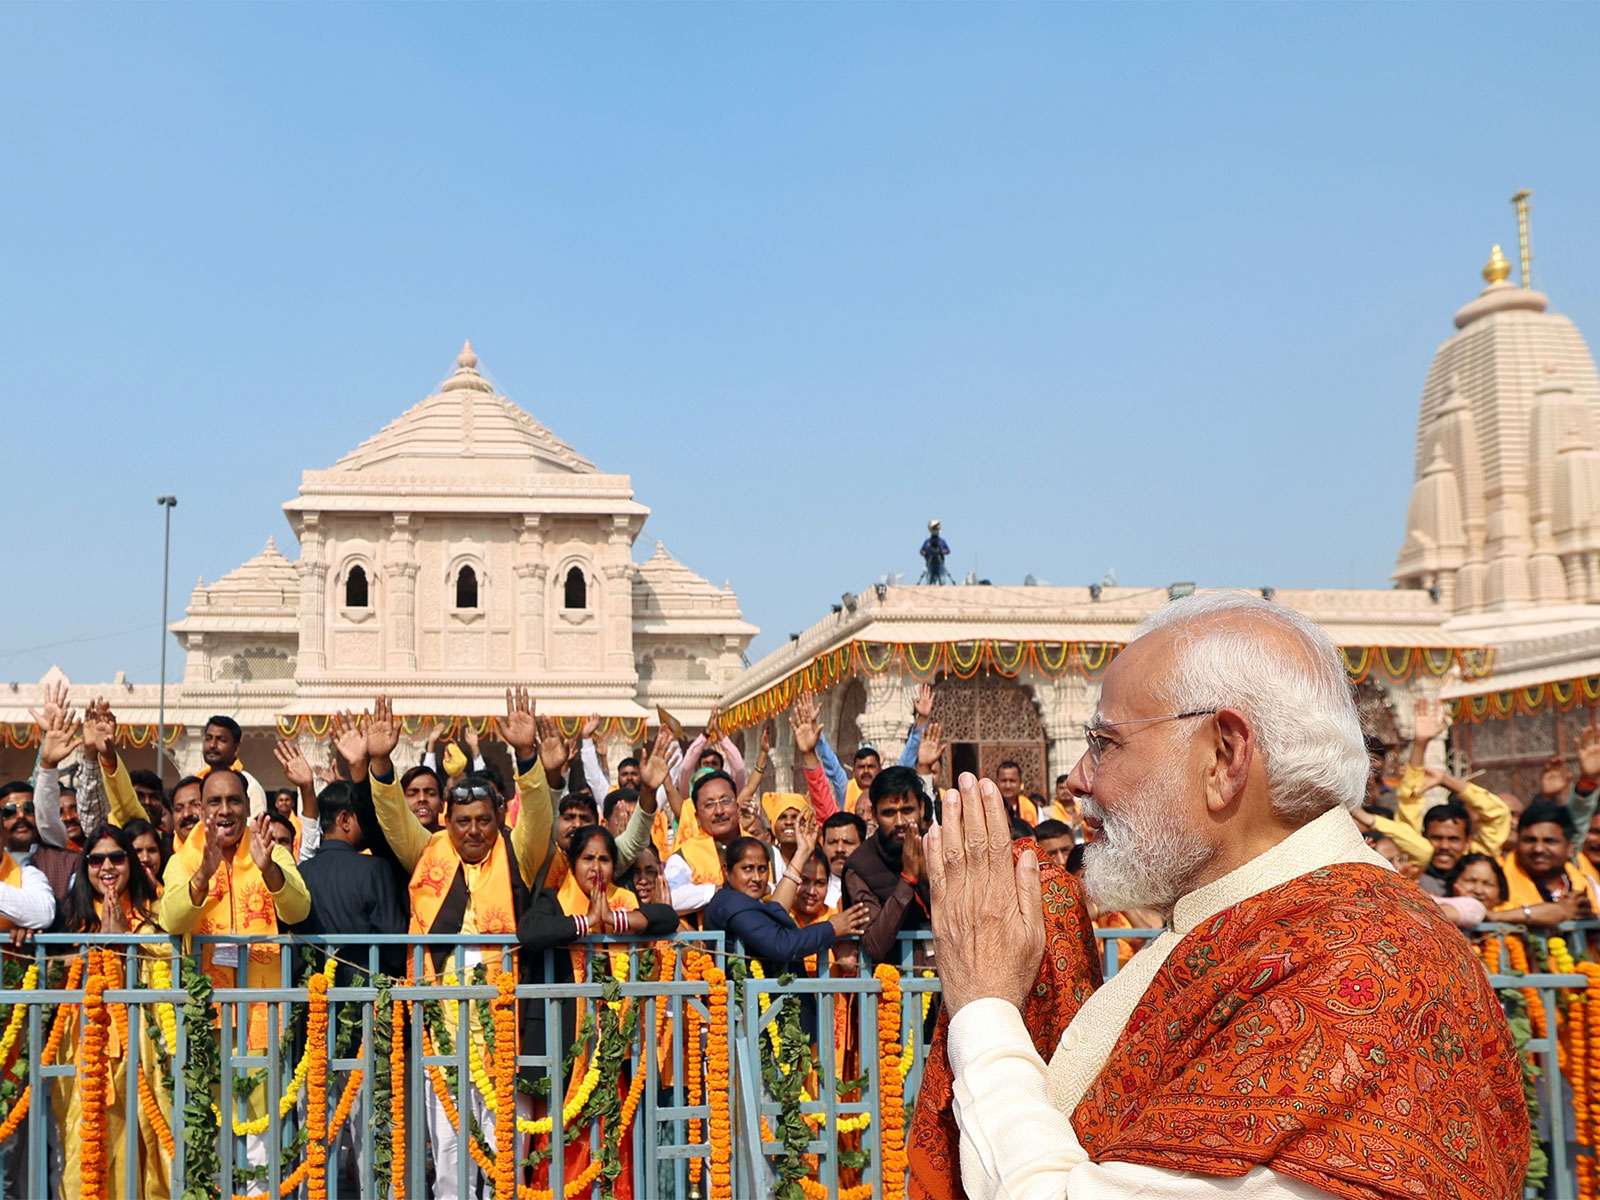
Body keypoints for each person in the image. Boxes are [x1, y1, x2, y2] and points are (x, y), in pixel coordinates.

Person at [923, 591, 1527, 1199]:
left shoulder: (1363, 969)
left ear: (1224, 756)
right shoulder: (1253, 926)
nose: (1078, 777)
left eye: (1105, 742)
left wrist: (985, 1008)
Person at [364, 690, 557, 1200]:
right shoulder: (427, 851)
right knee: (447, 1153)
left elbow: (538, 813)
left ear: (498, 820)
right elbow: (391, 818)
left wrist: (528, 758)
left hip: (504, 1024)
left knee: (504, 1150)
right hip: (442, 1025)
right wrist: (381, 763)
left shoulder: (519, 852)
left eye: (484, 821)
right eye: (462, 821)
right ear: (446, 821)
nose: (473, 830)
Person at [157, 768, 311, 1168]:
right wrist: (201, 876)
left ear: (247, 806)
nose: (225, 811)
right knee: (210, 1127)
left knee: (260, 1128)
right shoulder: (183, 859)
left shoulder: (270, 850)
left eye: (233, 801)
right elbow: (171, 919)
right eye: (214, 802)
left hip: (262, 1010)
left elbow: (299, 908)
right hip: (206, 1015)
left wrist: (269, 870)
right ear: (201, 808)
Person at [518, 824, 679, 1197]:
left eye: (604, 859)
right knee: (564, 1152)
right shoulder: (554, 900)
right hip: (566, 1054)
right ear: (572, 864)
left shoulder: (622, 900)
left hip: (611, 1055)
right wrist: (587, 922)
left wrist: (614, 921)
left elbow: (666, 918)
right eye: (587, 858)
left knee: (611, 1151)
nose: (596, 867)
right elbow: (530, 932)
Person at [55, 823, 168, 1200]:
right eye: (97, 858)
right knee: (84, 1149)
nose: (107, 865)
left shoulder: (153, 909)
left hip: (142, 1047)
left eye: (117, 857)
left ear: (130, 863)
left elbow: (165, 961)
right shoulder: (73, 915)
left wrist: (123, 944)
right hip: (84, 1048)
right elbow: (56, 967)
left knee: (143, 1149)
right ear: (85, 865)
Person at [291, 780, 408, 986]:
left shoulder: (302, 872)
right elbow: (395, 947)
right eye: (363, 817)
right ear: (344, 819)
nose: (370, 826)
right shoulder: (374, 868)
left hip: (316, 994)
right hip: (368, 996)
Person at [841, 766, 932, 967]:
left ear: (922, 807)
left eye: (907, 810)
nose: (899, 822)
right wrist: (908, 879)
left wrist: (929, 876)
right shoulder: (860, 867)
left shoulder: (941, 847)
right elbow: (874, 945)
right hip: (895, 987)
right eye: (889, 813)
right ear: (874, 814)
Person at [1495, 800, 1598, 926]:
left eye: (1550, 841)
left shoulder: (1587, 884)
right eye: (1529, 840)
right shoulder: (1496, 876)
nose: (1538, 849)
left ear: (1570, 848)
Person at [665, 770, 745, 920]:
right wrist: (718, 892)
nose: (719, 811)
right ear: (697, 817)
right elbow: (669, 897)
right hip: (706, 942)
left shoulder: (766, 850)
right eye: (709, 805)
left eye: (726, 801)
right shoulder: (685, 857)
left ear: (738, 808)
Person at [195, 715, 269, 815]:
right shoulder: (196, 783)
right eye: (208, 739)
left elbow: (253, 828)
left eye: (221, 740)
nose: (212, 745)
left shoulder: (250, 787)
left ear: (236, 748)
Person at [820, 812, 865, 908]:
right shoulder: (810, 889)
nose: (840, 849)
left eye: (848, 842)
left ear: (863, 846)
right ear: (823, 846)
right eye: (832, 842)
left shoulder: (874, 885)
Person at [121, 817, 167, 892]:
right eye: (138, 851)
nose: (145, 858)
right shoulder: (114, 893)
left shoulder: (171, 891)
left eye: (152, 850)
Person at [400, 764, 445, 832]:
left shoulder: (455, 840)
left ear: (442, 805)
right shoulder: (391, 840)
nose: (422, 798)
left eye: (431, 794)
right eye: (412, 794)